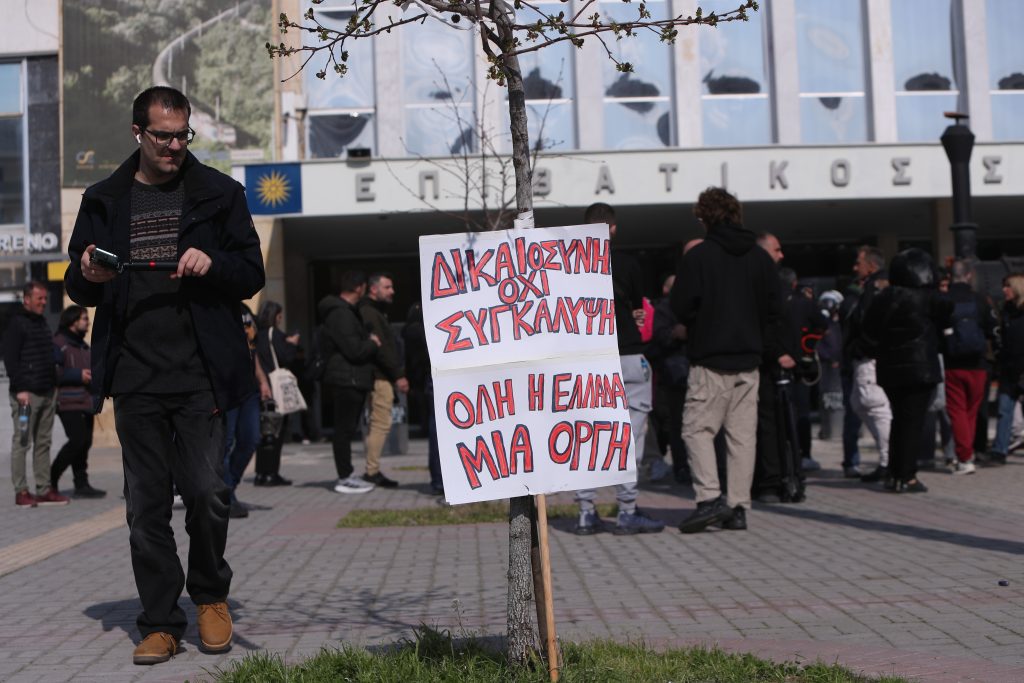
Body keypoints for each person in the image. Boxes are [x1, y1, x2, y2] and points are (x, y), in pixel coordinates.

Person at [64, 85, 265, 665]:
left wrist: (214, 263)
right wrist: (87, 275)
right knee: (145, 506)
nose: (174, 146)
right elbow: (78, 285)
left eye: (182, 135)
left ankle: (210, 595)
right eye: (163, 136)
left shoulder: (219, 194)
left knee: (209, 492)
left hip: (201, 372)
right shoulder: (104, 199)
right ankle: (159, 620)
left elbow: (249, 269)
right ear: (137, 133)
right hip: (133, 375)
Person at [671, 188, 780, 533]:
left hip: (710, 360)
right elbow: (776, 308)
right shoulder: (761, 259)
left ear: (705, 218)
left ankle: (709, 499)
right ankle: (737, 507)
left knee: (696, 429)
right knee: (742, 436)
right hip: (749, 361)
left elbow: (681, 306)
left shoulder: (700, 257)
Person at [574, 202, 665, 535]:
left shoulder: (569, 267)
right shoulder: (627, 264)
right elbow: (640, 311)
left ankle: (586, 510)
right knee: (629, 437)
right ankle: (627, 509)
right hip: (626, 356)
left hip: (585, 361)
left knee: (586, 435)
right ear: (614, 229)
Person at [861, 248, 952, 493]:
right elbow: (948, 314)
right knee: (912, 422)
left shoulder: (883, 298)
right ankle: (907, 475)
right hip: (920, 367)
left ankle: (893, 472)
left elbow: (868, 330)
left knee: (898, 419)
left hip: (890, 368)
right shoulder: (929, 298)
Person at [3, 281, 68, 507]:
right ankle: (21, 491)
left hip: (47, 392)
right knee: (22, 441)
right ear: (27, 299)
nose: (44, 302)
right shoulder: (16, 324)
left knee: (43, 442)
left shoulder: (41, 322)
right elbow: (11, 360)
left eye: (44, 299)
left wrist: (54, 385)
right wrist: (20, 389)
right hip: (26, 396)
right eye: (39, 298)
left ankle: (43, 489)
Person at [319, 270, 379, 494]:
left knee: (346, 429)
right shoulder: (340, 314)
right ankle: (344, 477)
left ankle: (347, 474)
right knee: (343, 430)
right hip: (347, 379)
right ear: (359, 287)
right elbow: (354, 350)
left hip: (351, 378)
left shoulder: (344, 312)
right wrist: (372, 343)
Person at [941, 260, 997, 474]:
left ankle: (964, 458)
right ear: (969, 275)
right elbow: (993, 329)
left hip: (953, 364)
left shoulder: (944, 300)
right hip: (979, 364)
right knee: (971, 412)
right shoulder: (980, 300)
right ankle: (969, 452)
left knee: (957, 412)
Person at [842, 246, 892, 483]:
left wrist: (863, 346)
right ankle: (888, 458)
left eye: (858, 262)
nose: (855, 267)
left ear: (871, 266)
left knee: (875, 407)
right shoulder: (876, 287)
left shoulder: (875, 288)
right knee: (859, 403)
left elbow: (869, 322)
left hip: (869, 358)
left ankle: (888, 460)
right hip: (866, 357)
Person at [359, 273, 408, 488]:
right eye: (387, 287)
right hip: (379, 377)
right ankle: (372, 471)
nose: (392, 291)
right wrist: (398, 375)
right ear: (374, 289)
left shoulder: (374, 311)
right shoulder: (369, 312)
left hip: (379, 376)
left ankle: (372, 469)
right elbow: (383, 349)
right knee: (380, 424)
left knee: (377, 424)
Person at [223, 305, 272, 518]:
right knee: (224, 443)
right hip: (226, 386)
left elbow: (253, 349)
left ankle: (228, 487)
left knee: (251, 439)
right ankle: (224, 496)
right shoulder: (217, 306)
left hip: (249, 387)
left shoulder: (244, 310)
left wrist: (262, 380)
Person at [50, 305, 105, 498]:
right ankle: (51, 479)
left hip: (86, 401)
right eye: (84, 319)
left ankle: (81, 484)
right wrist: (79, 375)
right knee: (77, 440)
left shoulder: (84, 346)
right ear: (73, 321)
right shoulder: (59, 343)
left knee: (85, 443)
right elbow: (54, 373)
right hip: (67, 402)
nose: (88, 322)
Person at [253, 300, 297, 487]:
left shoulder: (257, 335)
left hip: (260, 386)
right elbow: (287, 357)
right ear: (276, 316)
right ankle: (271, 473)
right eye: (280, 315)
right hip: (276, 387)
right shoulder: (276, 335)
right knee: (276, 432)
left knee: (264, 431)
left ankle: (261, 473)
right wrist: (292, 344)